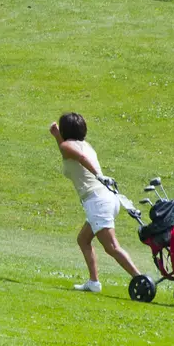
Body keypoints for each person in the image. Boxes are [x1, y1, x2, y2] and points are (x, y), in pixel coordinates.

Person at [50, 111, 145, 293]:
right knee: (83, 239)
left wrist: (98, 175)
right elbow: (70, 153)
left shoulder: (69, 148)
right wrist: (57, 136)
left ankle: (140, 279)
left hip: (97, 200)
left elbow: (78, 157)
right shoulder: (85, 145)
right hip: (108, 198)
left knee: (111, 247)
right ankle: (94, 282)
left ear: (65, 130)